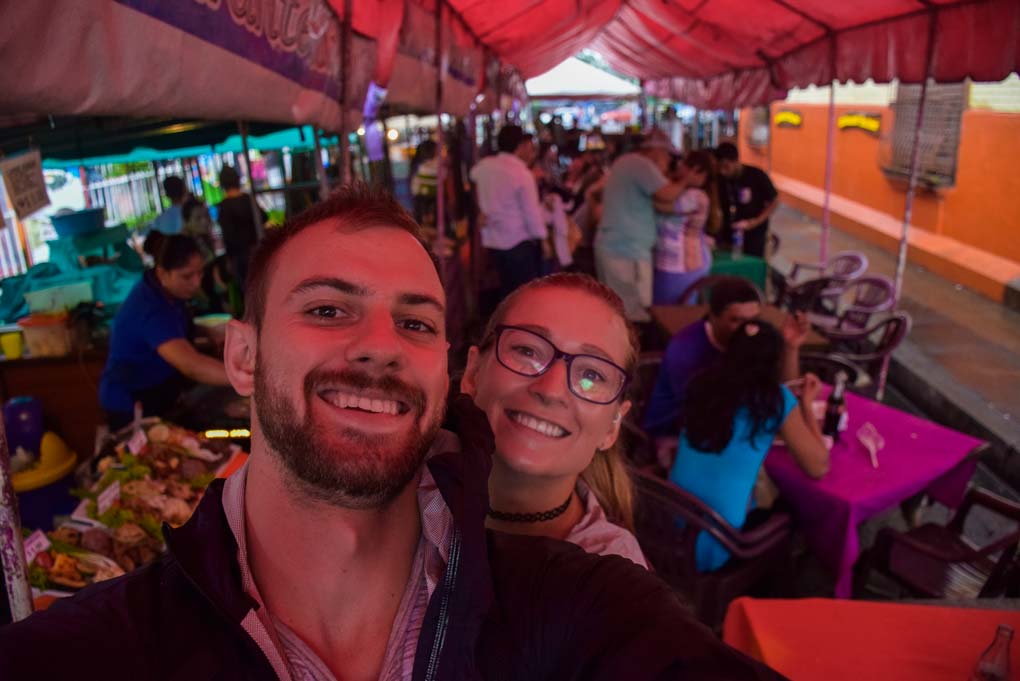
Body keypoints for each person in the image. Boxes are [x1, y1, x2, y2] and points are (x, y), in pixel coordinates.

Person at [2, 185, 781, 681]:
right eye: (328, 308)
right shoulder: (103, 647)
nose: (379, 343)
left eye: (413, 319)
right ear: (242, 354)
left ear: (442, 374)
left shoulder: (565, 592)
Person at [461, 273, 647, 567]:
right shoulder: (398, 488)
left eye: (592, 375)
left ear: (612, 426)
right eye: (527, 350)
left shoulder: (612, 585)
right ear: (473, 374)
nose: (550, 390)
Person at [669, 320, 830, 572]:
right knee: (792, 509)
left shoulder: (702, 383)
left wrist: (791, 349)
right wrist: (808, 404)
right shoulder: (773, 402)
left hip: (668, 522)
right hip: (718, 543)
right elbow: (818, 466)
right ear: (773, 365)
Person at [643, 277, 809, 460]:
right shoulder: (686, 351)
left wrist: (791, 347)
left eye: (753, 320)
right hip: (674, 434)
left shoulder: (752, 339)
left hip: (730, 427)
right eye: (736, 320)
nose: (746, 328)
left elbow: (785, 390)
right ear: (713, 317)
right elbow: (701, 418)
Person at [99, 235, 231, 430]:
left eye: (200, 273)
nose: (196, 283)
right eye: (187, 276)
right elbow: (191, 365)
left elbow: (176, 327)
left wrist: (207, 331)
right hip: (132, 402)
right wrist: (246, 379)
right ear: (162, 273)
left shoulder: (168, 292)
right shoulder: (150, 308)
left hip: (161, 391)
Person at [594, 130, 687, 322]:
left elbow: (661, 203)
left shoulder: (627, 163)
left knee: (624, 312)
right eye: (668, 157)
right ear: (657, 151)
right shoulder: (639, 164)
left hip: (621, 248)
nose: (668, 163)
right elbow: (667, 194)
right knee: (631, 315)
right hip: (624, 252)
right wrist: (688, 180)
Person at [469, 124, 548, 303]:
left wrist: (483, 209)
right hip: (518, 242)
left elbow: (473, 176)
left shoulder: (484, 166)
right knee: (524, 296)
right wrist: (543, 239)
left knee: (507, 291)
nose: (531, 152)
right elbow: (532, 214)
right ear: (520, 146)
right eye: (529, 147)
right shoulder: (521, 173)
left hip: (493, 241)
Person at [652, 150, 721, 304]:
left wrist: (682, 181)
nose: (679, 167)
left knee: (673, 315)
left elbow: (660, 205)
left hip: (683, 265)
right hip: (672, 264)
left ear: (696, 171)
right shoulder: (685, 192)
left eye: (684, 164)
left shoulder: (696, 196)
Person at [714, 142, 778, 258]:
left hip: (753, 235)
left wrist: (756, 221)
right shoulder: (720, 179)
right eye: (720, 167)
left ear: (736, 161)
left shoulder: (756, 175)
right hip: (728, 235)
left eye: (726, 166)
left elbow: (773, 201)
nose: (723, 171)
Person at [216, 164, 266, 290]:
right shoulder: (248, 199)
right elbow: (264, 217)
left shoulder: (224, 206)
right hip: (257, 249)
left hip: (239, 257)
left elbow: (228, 236)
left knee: (247, 291)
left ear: (223, 184)